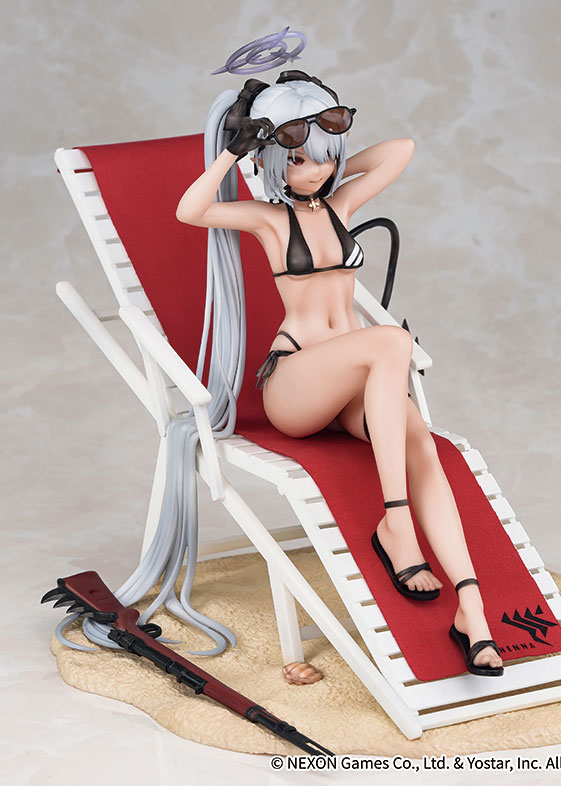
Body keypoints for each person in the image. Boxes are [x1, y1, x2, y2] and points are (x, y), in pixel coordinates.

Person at [177, 70, 503, 675]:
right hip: (296, 386)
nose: (317, 170)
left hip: (356, 382)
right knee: (391, 340)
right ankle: (396, 524)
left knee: (422, 445)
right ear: (275, 160)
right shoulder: (268, 220)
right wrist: (240, 150)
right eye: (300, 159)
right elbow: (190, 210)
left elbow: (400, 150)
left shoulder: (341, 205)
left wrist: (322, 136)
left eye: (327, 157)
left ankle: (472, 610)